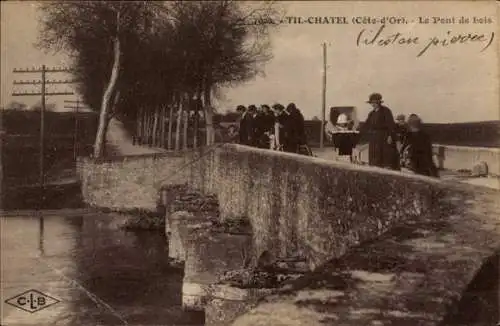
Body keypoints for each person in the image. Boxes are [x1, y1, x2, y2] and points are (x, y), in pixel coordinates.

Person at [362, 93, 400, 170]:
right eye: (372, 103)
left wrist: (390, 136)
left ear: (379, 102)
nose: (374, 104)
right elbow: (366, 124)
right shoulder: (371, 113)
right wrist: (357, 131)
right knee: (374, 158)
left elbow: (391, 124)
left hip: (384, 137)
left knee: (384, 158)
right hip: (374, 138)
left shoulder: (386, 111)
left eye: (375, 102)